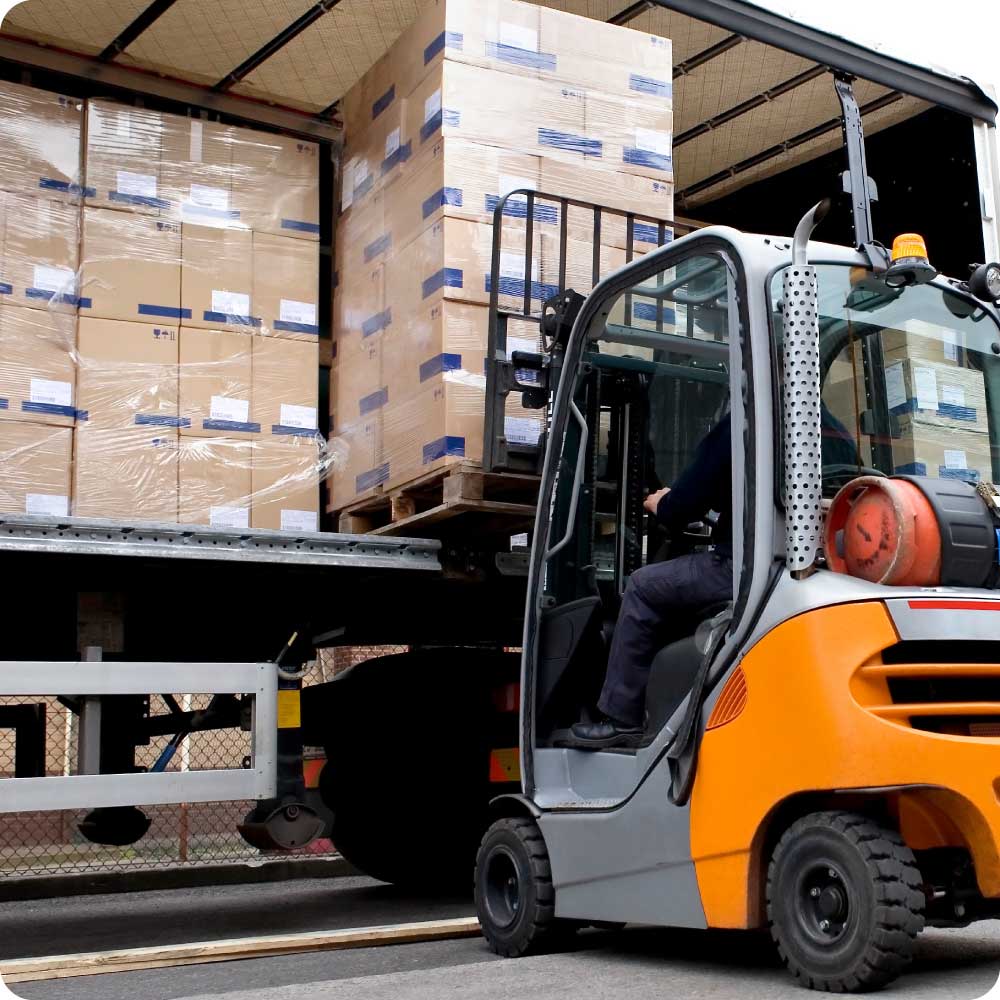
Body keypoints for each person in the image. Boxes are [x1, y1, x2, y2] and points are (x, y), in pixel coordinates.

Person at [568, 413, 734, 750]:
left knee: (644, 585)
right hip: (790, 567)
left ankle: (623, 718)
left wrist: (665, 503)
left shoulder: (745, 421)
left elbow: (689, 498)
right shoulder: (829, 432)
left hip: (736, 568)